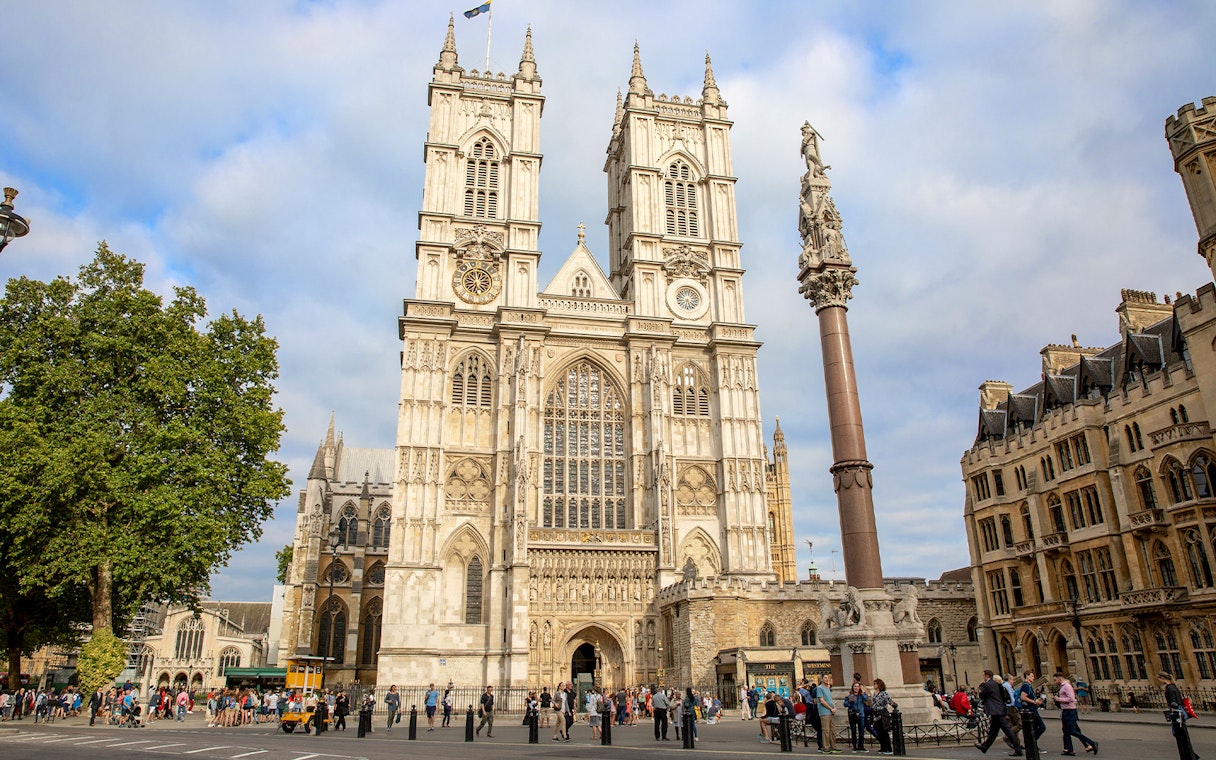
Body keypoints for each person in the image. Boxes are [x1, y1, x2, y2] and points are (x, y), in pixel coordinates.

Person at [974, 670, 1022, 756]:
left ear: (986, 676)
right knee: (993, 731)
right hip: (999, 709)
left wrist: (980, 691)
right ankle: (985, 747)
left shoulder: (987, 684)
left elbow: (982, 695)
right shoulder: (997, 684)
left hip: (995, 710)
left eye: (983, 675)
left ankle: (1018, 749)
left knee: (1008, 731)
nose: (983, 677)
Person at [1050, 672, 1096, 756]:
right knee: (1066, 731)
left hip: (1070, 711)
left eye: (1055, 680)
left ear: (1060, 679)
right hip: (1066, 711)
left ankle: (1092, 743)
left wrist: (1059, 699)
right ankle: (1069, 749)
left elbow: (1071, 699)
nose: (1054, 682)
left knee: (1072, 731)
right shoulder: (1063, 686)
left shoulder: (1067, 686)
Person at [1160, 671, 1198, 760]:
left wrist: (1173, 710)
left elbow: (1174, 702)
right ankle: (1191, 755)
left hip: (1177, 713)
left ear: (1162, 679)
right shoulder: (1174, 687)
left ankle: (1189, 756)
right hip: (1180, 712)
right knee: (1181, 735)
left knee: (1178, 734)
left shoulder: (1169, 688)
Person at [1017, 670, 1046, 743]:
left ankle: (1033, 744)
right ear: (1027, 676)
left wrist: (1037, 701)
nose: (1033, 678)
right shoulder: (1025, 685)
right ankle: (1031, 742)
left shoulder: (1029, 685)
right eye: (1032, 676)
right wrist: (1034, 702)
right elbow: (1023, 697)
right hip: (1030, 709)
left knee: (1034, 727)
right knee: (1042, 727)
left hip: (1033, 708)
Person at [815, 674, 840, 754]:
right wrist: (830, 708)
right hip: (824, 711)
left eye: (827, 678)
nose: (827, 679)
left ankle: (833, 746)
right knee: (826, 730)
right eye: (825, 678)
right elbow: (822, 701)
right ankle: (826, 747)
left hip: (830, 711)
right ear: (821, 679)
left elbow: (830, 700)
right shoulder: (819, 688)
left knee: (832, 729)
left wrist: (834, 708)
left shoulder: (828, 688)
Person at [871, 678, 896, 756]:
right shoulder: (875, 693)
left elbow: (889, 700)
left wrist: (894, 705)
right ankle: (883, 747)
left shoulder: (883, 693)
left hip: (882, 714)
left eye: (875, 684)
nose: (874, 685)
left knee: (884, 732)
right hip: (876, 714)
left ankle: (888, 748)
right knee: (879, 731)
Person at [844, 680, 870, 751]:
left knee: (861, 731)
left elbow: (866, 699)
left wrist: (863, 691)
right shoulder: (849, 695)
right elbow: (845, 704)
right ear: (852, 687)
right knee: (853, 730)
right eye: (855, 686)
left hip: (861, 714)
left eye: (858, 686)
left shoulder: (861, 695)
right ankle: (854, 746)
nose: (856, 688)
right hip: (852, 715)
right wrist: (849, 701)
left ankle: (861, 745)